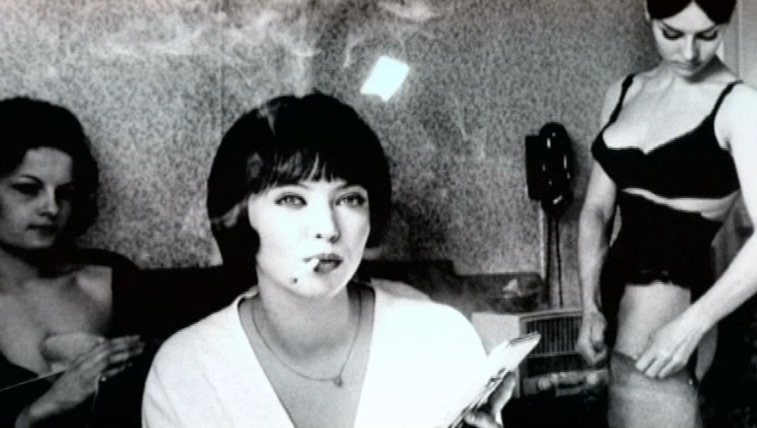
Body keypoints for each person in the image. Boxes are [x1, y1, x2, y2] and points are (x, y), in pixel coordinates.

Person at [142, 93, 514, 428]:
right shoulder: (187, 370)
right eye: (292, 199)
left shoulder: (440, 339)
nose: (327, 228)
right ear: (240, 216)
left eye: (349, 199)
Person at [575, 0, 757, 426]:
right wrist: (588, 306)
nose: (689, 53)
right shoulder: (623, 93)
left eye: (708, 35)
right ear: (648, 13)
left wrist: (693, 324)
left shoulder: (741, 107)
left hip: (673, 322)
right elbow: (596, 211)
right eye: (672, 34)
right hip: (613, 318)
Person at [0, 97, 147, 427]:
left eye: (65, 193)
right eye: (28, 189)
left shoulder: (111, 281)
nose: (51, 208)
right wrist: (43, 408)